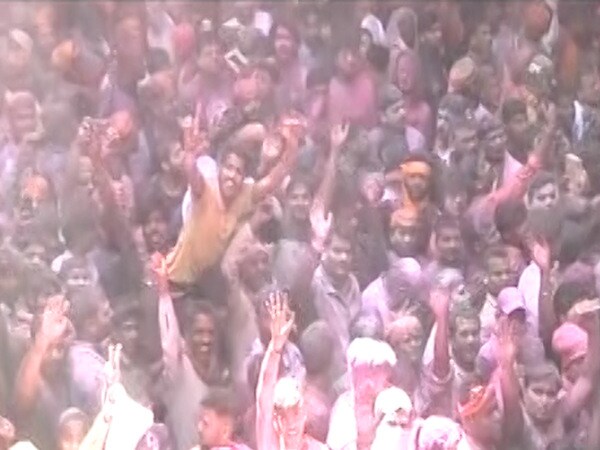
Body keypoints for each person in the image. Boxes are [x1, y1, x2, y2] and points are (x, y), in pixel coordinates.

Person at [255, 291, 327, 450]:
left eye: (295, 413)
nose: (291, 423)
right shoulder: (269, 445)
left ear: (304, 413)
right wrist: (275, 347)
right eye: (283, 416)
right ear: (275, 420)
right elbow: (264, 393)